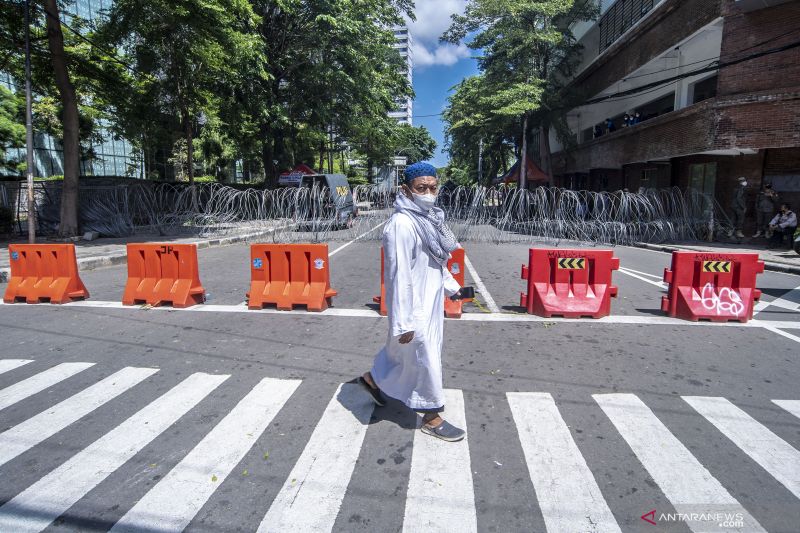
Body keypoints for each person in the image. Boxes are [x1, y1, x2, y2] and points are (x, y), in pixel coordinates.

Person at [359, 162, 467, 442]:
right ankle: (431, 417)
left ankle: (372, 380)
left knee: (400, 357)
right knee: (425, 357)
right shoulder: (402, 224)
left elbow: (436, 264)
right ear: (406, 190)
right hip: (413, 309)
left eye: (432, 187)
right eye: (421, 188)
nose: (428, 193)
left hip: (430, 301)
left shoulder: (430, 219)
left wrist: (452, 288)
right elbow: (399, 277)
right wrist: (404, 321)